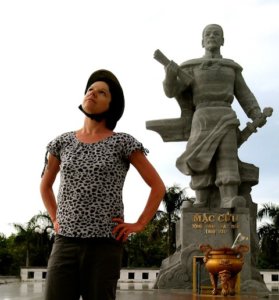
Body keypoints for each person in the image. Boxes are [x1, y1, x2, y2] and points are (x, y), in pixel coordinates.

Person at [40, 69, 166, 300]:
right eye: (90, 90)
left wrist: (138, 224)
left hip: (104, 244)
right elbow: (45, 186)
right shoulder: (62, 143)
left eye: (102, 93)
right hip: (65, 242)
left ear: (112, 104)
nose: (93, 94)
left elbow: (158, 186)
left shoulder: (123, 143)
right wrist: (55, 219)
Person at [162, 24, 265, 208]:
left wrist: (255, 112)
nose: (212, 36)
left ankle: (228, 197)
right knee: (200, 157)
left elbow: (244, 94)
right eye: (208, 34)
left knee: (227, 157)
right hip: (201, 117)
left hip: (225, 115)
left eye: (216, 34)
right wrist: (169, 77)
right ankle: (201, 200)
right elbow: (172, 92)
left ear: (223, 40)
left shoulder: (231, 68)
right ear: (202, 41)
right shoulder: (191, 68)